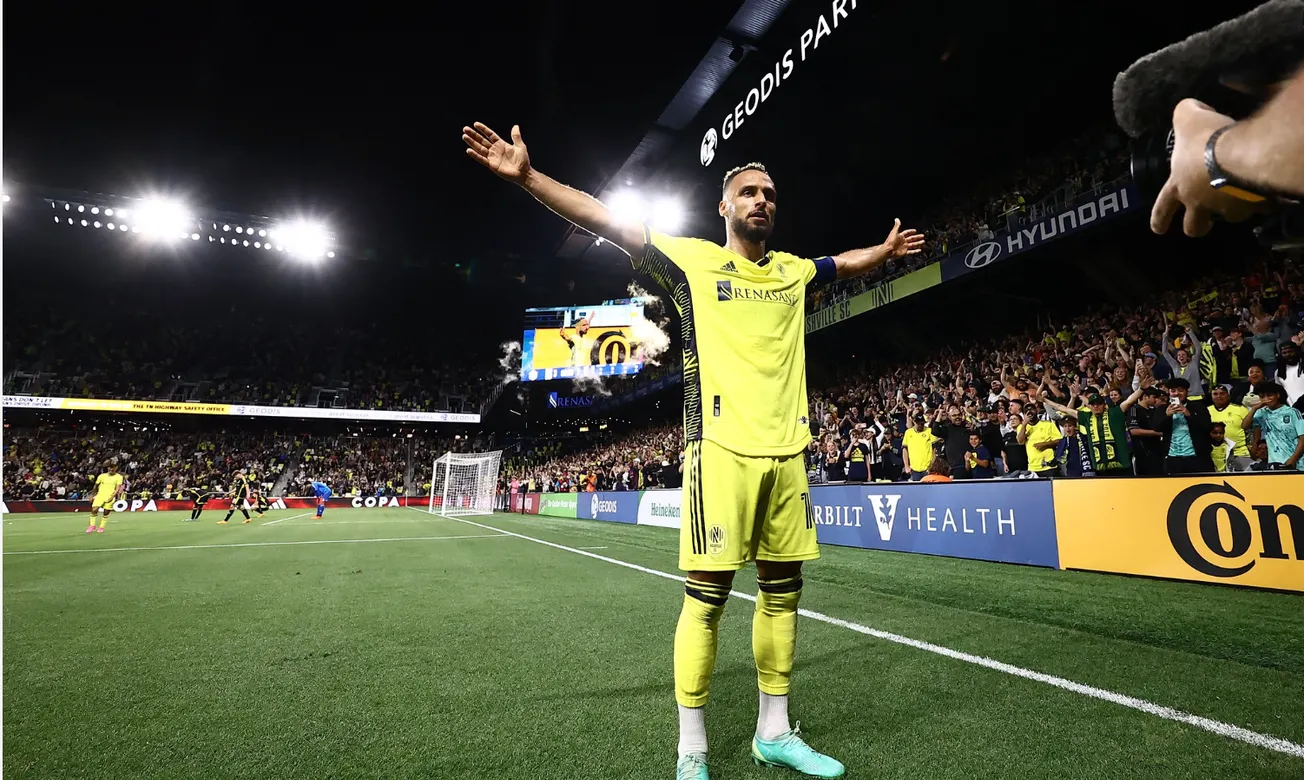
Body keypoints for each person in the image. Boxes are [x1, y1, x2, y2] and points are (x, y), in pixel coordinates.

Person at [463, 120, 923, 779]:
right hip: (719, 450)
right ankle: (693, 751)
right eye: (749, 192)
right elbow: (607, 221)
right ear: (725, 207)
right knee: (706, 598)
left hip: (787, 451)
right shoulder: (692, 262)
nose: (762, 200)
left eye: (769, 193)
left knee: (783, 593)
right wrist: (530, 177)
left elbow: (839, 263)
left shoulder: (793, 272)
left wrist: (881, 252)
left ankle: (774, 733)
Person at [1242, 383, 1304, 471]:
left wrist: (1293, 458)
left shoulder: (1292, 412)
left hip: (1296, 462)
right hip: (1274, 463)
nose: (1266, 400)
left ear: (1278, 395)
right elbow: (1245, 426)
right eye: (1262, 397)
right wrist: (1254, 408)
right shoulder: (1261, 413)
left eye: (1269, 396)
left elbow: (1302, 438)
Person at [1159, 378, 1214, 474]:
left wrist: (1188, 415)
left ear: (1187, 392)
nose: (1176, 393)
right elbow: (1156, 427)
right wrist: (1166, 416)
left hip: (1197, 458)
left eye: (1180, 390)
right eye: (1173, 391)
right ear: (1168, 392)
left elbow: (1207, 427)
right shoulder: (1163, 408)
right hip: (1173, 458)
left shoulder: (1199, 407)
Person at [85, 462, 124, 534]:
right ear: (108, 468)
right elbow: (95, 486)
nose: (111, 469)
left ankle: (101, 527)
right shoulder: (101, 476)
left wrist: (112, 497)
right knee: (94, 510)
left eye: (113, 467)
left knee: (106, 512)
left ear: (116, 468)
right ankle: (92, 526)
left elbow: (117, 488)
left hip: (110, 496)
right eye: (110, 467)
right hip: (100, 495)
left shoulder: (119, 477)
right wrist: (92, 495)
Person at [902, 412, 938, 483]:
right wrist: (906, 466)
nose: (920, 425)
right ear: (914, 422)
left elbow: (934, 450)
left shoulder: (929, 431)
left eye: (922, 423)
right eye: (918, 423)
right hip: (914, 468)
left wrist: (932, 465)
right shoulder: (908, 433)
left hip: (927, 468)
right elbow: (905, 450)